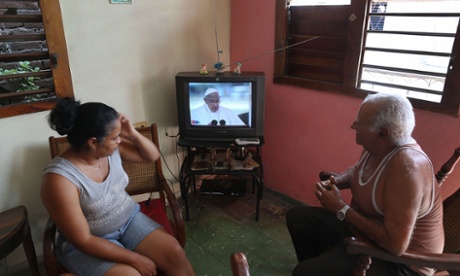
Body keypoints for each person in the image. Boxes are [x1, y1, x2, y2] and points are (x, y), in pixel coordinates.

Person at [286, 93, 444, 276]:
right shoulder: (378, 147)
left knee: (303, 273)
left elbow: (396, 246)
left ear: (383, 133)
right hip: (365, 235)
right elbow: (359, 171)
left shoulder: (406, 168)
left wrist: (341, 208)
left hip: (402, 263)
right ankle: (323, 264)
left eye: (360, 123)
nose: (353, 125)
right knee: (298, 218)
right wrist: (335, 181)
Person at [41, 97, 195, 276]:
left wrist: (132, 133)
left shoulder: (110, 150)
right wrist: (135, 258)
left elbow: (151, 156)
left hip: (129, 220)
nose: (119, 141)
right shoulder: (59, 180)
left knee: (175, 253)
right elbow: (83, 240)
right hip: (88, 242)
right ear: (93, 143)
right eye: (115, 138)